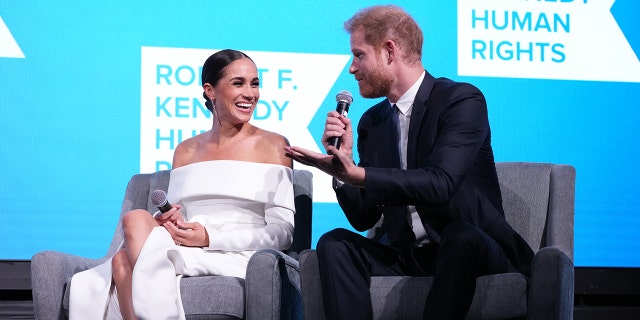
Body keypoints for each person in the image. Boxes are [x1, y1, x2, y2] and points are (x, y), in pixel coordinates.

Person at [284, 5, 534, 320]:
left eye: (359, 55)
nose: (352, 68)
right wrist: (342, 170)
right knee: (335, 243)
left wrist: (359, 173)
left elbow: (440, 184)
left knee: (461, 236)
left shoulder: (461, 100)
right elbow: (363, 217)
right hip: (409, 254)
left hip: (473, 248)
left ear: (390, 51)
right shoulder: (373, 122)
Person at [69, 49, 296, 319]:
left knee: (124, 262)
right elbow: (177, 217)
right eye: (238, 83)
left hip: (238, 252)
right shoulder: (186, 150)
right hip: (186, 245)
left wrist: (210, 238)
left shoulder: (274, 146)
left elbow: (283, 233)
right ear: (210, 91)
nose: (251, 93)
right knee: (135, 220)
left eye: (255, 83)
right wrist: (170, 220)